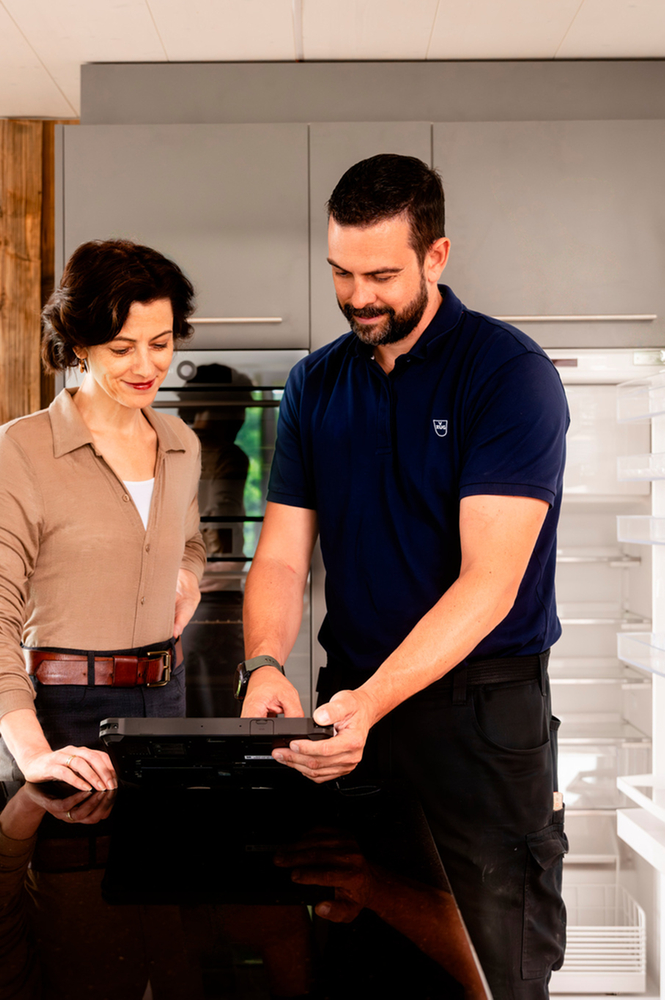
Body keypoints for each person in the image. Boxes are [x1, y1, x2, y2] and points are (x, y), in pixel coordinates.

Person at [239, 154, 569, 998]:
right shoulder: (316, 384)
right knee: (355, 959)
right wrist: (264, 663)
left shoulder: (507, 375)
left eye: (381, 275)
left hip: (480, 723)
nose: (358, 297)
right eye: (341, 273)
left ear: (436, 256)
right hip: (349, 719)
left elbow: (489, 583)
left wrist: (370, 703)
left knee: (492, 968)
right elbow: (281, 556)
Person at [0, 239, 206, 792]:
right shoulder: (21, 449)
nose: (147, 366)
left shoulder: (181, 444)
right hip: (61, 710)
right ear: (79, 344)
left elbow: (189, 542)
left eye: (161, 343)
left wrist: (186, 575)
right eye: (122, 349)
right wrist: (34, 753)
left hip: (167, 699)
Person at [178, 363, 253, 717]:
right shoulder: (228, 455)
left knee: (187, 703)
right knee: (222, 709)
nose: (242, 418)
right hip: (217, 601)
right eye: (242, 407)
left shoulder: (173, 449)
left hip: (177, 600)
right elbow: (223, 523)